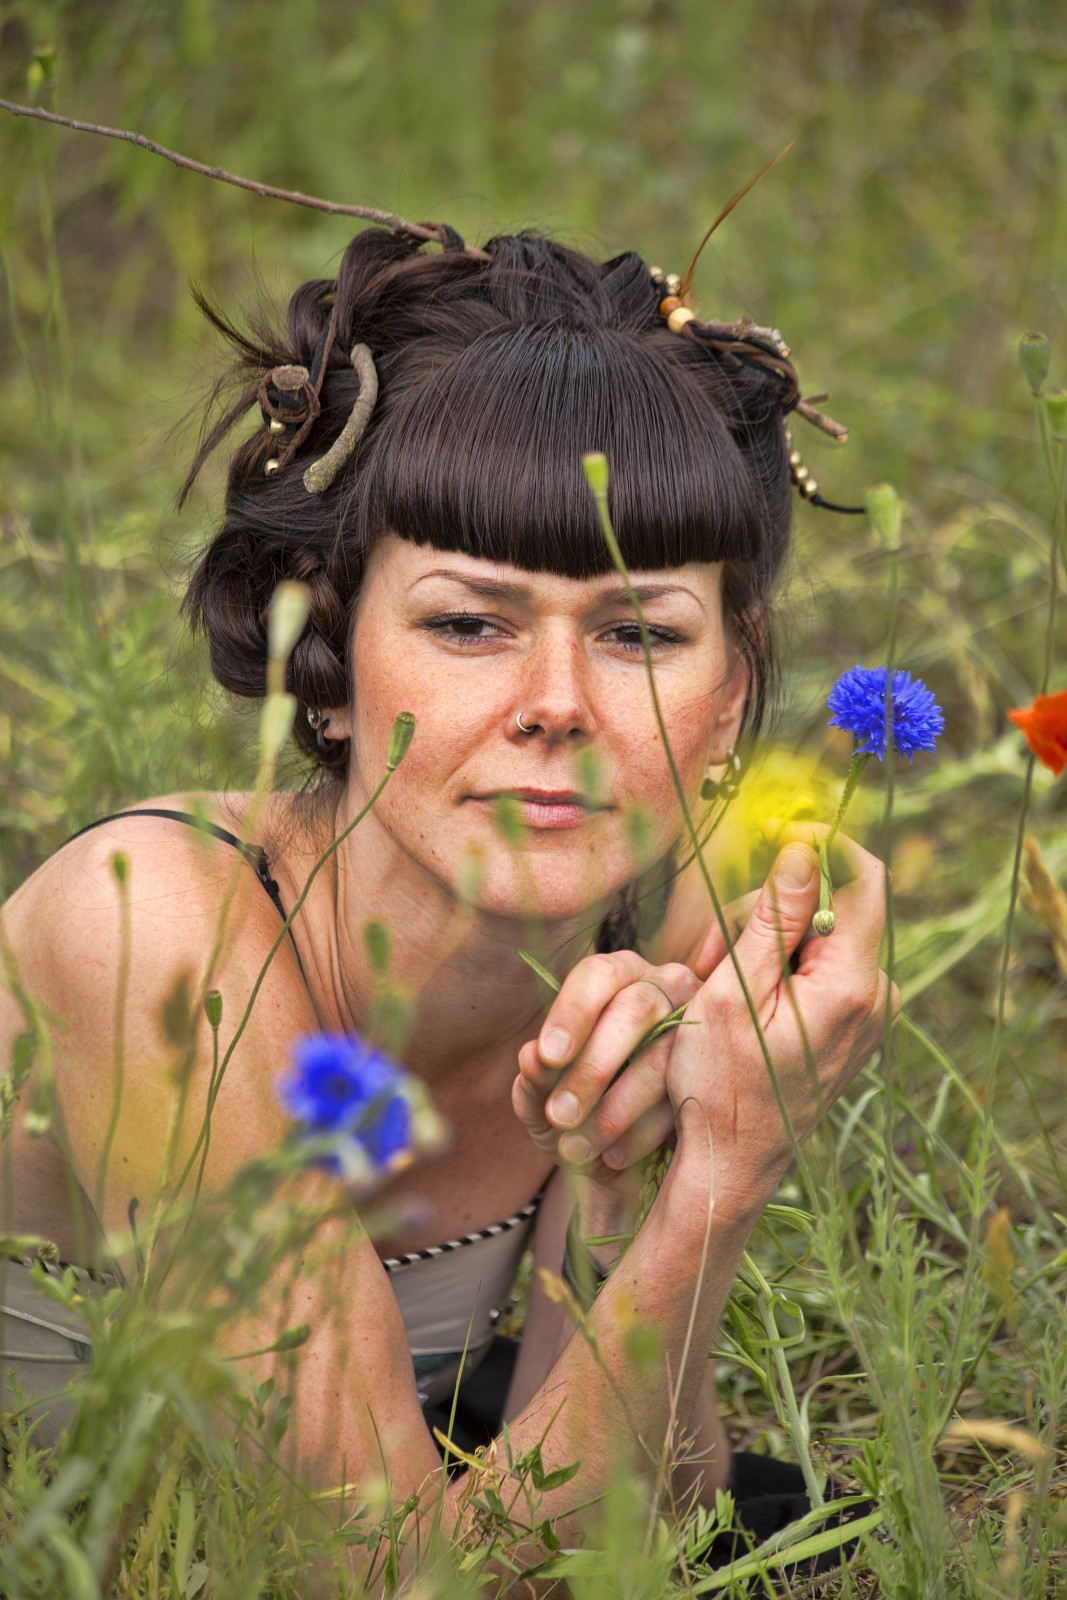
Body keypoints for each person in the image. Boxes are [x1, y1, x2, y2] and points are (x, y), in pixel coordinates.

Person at [0, 225, 891, 1571]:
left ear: (728, 692)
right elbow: (388, 1581)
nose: (557, 706)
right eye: (469, 623)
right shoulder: (153, 927)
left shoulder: (677, 931)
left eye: (639, 633)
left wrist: (643, 1199)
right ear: (328, 653)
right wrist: (722, 1178)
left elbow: (651, 1527)